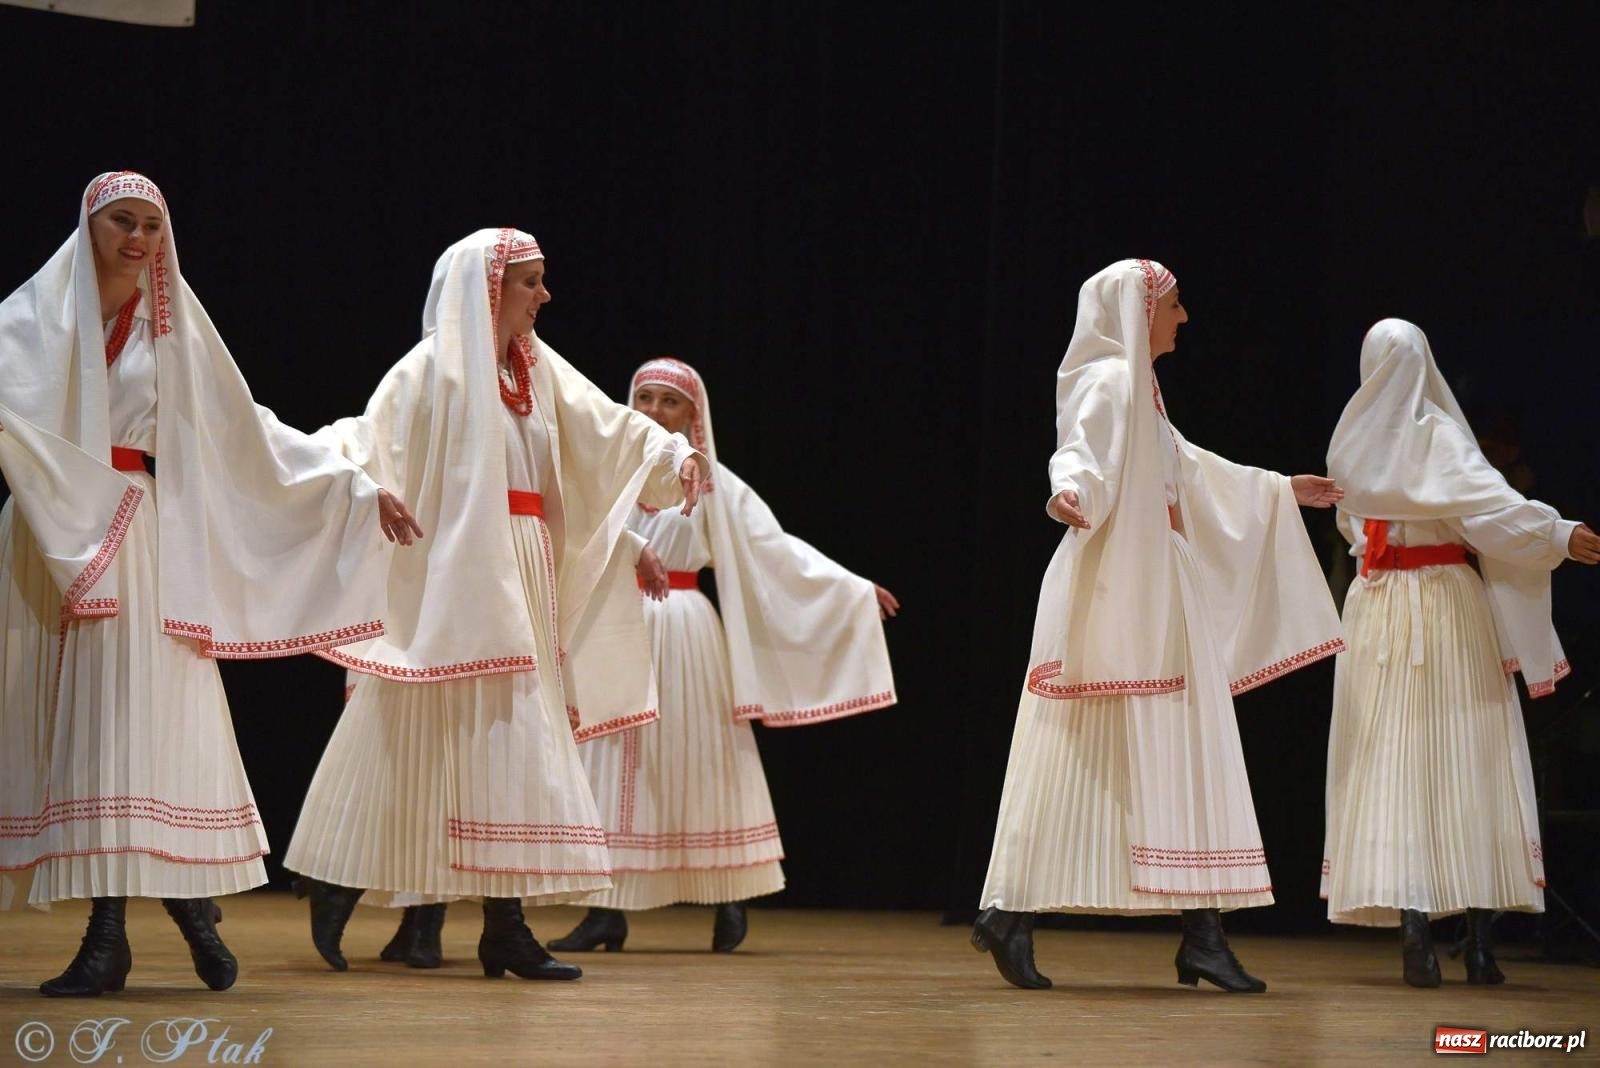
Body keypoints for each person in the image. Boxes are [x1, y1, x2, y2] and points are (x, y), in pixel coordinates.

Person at [0, 171, 418, 997]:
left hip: (137, 538)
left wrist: (352, 486)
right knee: (67, 729)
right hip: (46, 539)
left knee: (131, 720)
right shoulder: (28, 322)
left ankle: (119, 933)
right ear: (89, 225)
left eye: (153, 227)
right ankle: (179, 918)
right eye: (124, 222)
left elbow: (245, 430)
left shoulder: (172, 330)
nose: (140, 240)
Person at [284, 229, 705, 981]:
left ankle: (496, 926)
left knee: (508, 733)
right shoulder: (432, 369)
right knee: (412, 723)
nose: (544, 296)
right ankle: (341, 878)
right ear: (488, 289)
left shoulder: (536, 369)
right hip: (454, 567)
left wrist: (671, 454)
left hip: (524, 563)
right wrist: (358, 485)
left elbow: (607, 424)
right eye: (531, 282)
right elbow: (361, 439)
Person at [974, 259, 1344, 993]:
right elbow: (1079, 446)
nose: (1183, 318)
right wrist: (1069, 490)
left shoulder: (1142, 394)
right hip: (1122, 579)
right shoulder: (1112, 382)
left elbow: (1191, 470)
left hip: (1153, 580)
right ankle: (1018, 910)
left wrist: (1276, 489)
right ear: (1140, 311)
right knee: (1096, 746)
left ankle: (1183, 931)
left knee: (1166, 746)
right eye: (1173, 305)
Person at [548, 357, 897, 953]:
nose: (654, 411)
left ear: (693, 414)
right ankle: (604, 908)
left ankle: (728, 895)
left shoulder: (714, 485)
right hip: (614, 626)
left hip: (683, 631)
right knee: (610, 763)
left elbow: (773, 551)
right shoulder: (604, 474)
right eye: (645, 398)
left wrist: (850, 589)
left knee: (699, 757)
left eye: (669, 402)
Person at [1321, 319, 1600, 986]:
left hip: (1389, 605)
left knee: (1409, 764)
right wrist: (1555, 535)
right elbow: (1494, 517)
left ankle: (1431, 937)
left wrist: (1556, 534)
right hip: (1428, 605)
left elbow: (1475, 514)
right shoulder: (1435, 438)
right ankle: (1469, 943)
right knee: (1454, 762)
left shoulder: (1354, 446)